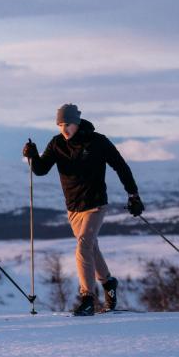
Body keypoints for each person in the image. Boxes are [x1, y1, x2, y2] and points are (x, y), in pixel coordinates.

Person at [23, 103, 144, 315]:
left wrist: (133, 194)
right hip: (73, 208)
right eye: (60, 124)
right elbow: (41, 170)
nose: (63, 129)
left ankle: (87, 298)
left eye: (67, 124)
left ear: (77, 123)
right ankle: (108, 283)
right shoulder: (57, 143)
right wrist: (32, 157)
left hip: (95, 204)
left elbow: (120, 165)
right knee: (90, 247)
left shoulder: (97, 141)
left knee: (83, 246)